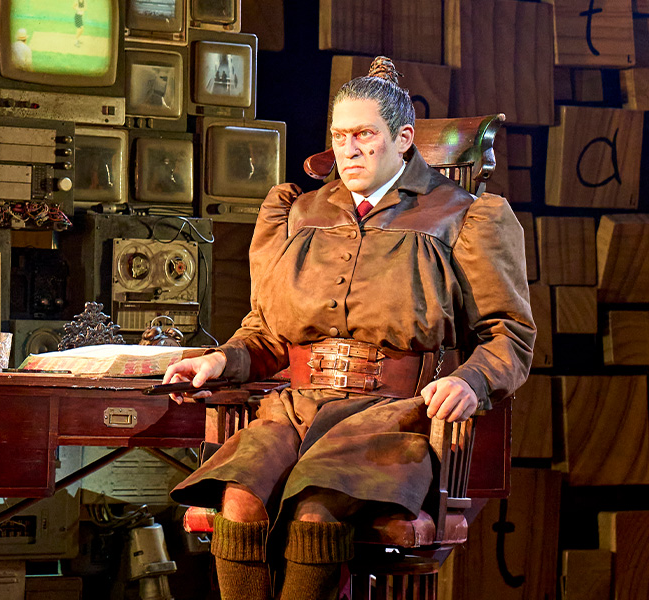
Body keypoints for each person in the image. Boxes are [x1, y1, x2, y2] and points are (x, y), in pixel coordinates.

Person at [162, 57, 535, 600]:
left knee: (317, 507)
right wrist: (222, 359)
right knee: (241, 499)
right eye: (340, 136)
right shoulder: (297, 212)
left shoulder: (462, 216)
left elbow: (509, 336)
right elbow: (266, 330)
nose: (349, 150)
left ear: (403, 138)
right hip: (295, 409)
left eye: (365, 135)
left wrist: (469, 382)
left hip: (390, 418)